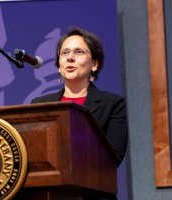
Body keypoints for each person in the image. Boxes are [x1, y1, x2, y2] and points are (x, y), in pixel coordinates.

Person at [31, 27, 128, 200]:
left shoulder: (112, 104)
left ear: (94, 64)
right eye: (64, 52)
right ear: (59, 66)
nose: (70, 57)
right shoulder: (40, 105)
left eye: (78, 52)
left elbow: (114, 157)